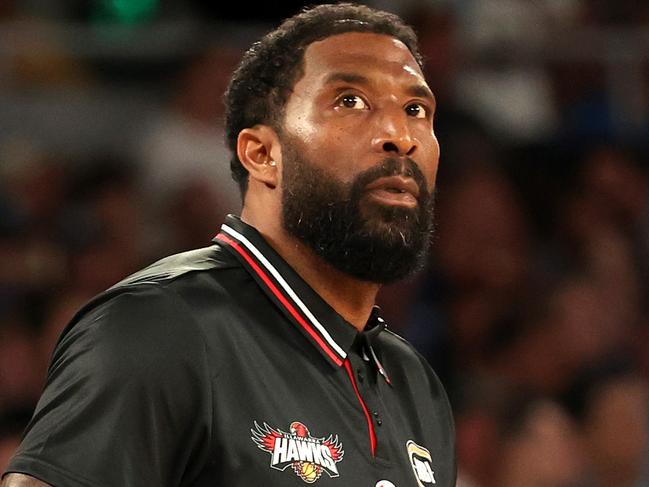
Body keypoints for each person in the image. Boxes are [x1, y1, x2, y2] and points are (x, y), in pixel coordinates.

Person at [2, 3, 455, 486]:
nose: (400, 135)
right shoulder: (162, 327)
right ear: (262, 155)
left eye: (415, 109)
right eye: (350, 101)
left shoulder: (415, 384)